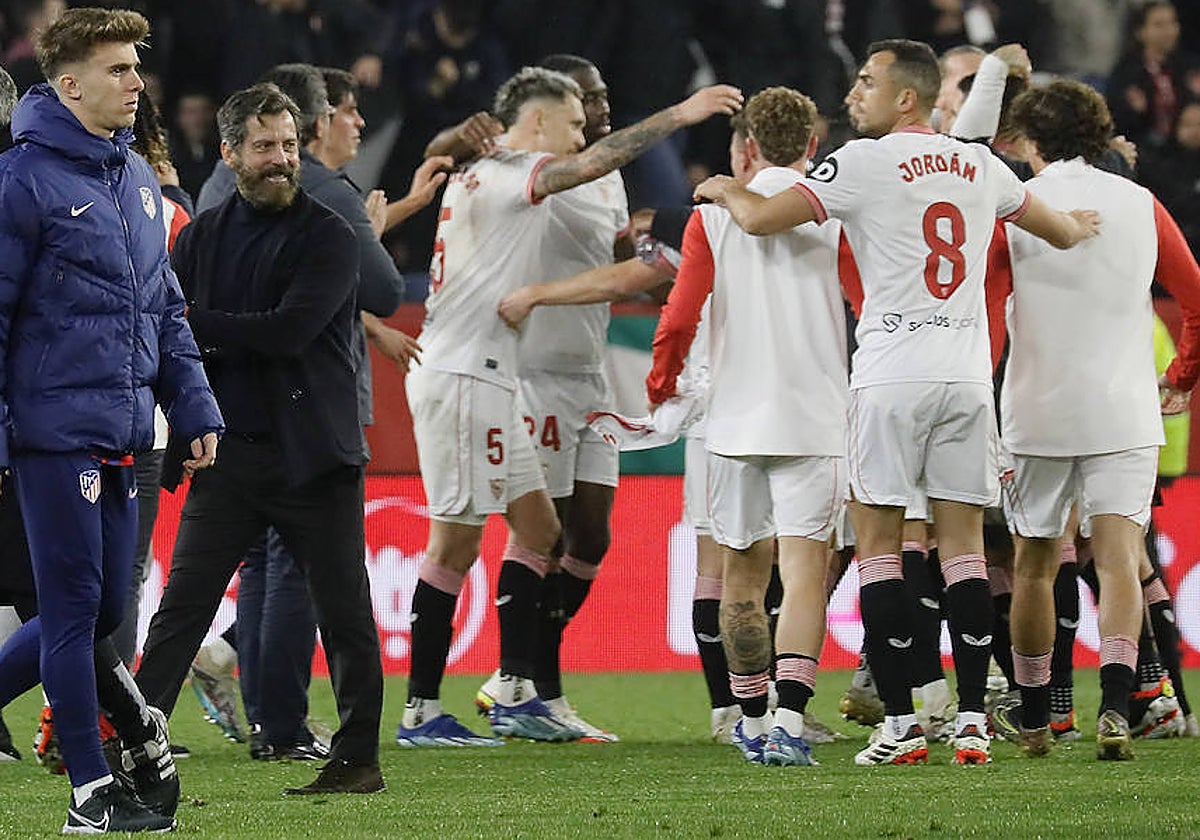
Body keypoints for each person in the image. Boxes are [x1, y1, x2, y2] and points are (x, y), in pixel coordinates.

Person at [694, 38, 1100, 766]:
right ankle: (973, 719)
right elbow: (1062, 231)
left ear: (904, 97)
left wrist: (725, 190)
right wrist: (1085, 224)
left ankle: (905, 724)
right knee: (967, 553)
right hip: (968, 377)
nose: (856, 93)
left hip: (890, 374)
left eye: (866, 81)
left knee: (882, 552)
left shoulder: (860, 162)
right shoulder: (981, 165)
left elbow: (761, 219)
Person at [395, 66, 742, 746]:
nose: (586, 131)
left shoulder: (503, 171)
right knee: (456, 541)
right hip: (471, 370)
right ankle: (422, 710)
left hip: (497, 371)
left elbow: (592, 207)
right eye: (575, 119)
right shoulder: (503, 169)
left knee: (545, 530)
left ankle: (521, 689)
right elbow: (571, 170)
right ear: (540, 121)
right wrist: (680, 113)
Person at [0, 7, 223, 833]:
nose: (138, 82)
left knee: (94, 619)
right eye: (119, 69)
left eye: (137, 66)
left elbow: (164, 308)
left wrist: (193, 402)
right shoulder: (21, 181)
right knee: (72, 611)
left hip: (125, 429)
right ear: (69, 84)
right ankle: (92, 795)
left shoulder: (133, 179)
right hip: (53, 433)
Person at [134, 81, 386, 796]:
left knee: (344, 617)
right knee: (181, 612)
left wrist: (192, 323)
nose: (280, 159)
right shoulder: (206, 235)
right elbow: (164, 332)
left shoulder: (329, 236)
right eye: (264, 146)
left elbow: (286, 332)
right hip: (232, 453)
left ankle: (356, 758)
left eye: (288, 145)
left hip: (316, 457)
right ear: (230, 153)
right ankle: (137, 747)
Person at [993, 79, 1200, 760]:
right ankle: (1117, 707)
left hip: (1038, 408)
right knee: (1118, 562)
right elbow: (1196, 296)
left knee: (1033, 563)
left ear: (1030, 141)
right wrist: (1180, 379)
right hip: (1124, 405)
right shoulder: (1141, 203)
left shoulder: (1018, 207)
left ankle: (1032, 717)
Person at [646, 86, 849, 766]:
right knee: (803, 573)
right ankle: (791, 719)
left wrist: (661, 383)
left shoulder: (712, 221)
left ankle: (752, 718)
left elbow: (678, 317)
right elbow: (867, 298)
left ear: (749, 148)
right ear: (813, 148)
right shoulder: (837, 212)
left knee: (740, 577)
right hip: (814, 417)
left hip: (733, 424)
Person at [466, 54, 630, 743]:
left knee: (592, 536)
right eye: (588, 99)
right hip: (535, 370)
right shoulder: (530, 173)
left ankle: (520, 677)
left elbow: (609, 248)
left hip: (590, 372)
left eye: (601, 95)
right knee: (545, 532)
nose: (602, 109)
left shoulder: (606, 175)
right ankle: (529, 684)